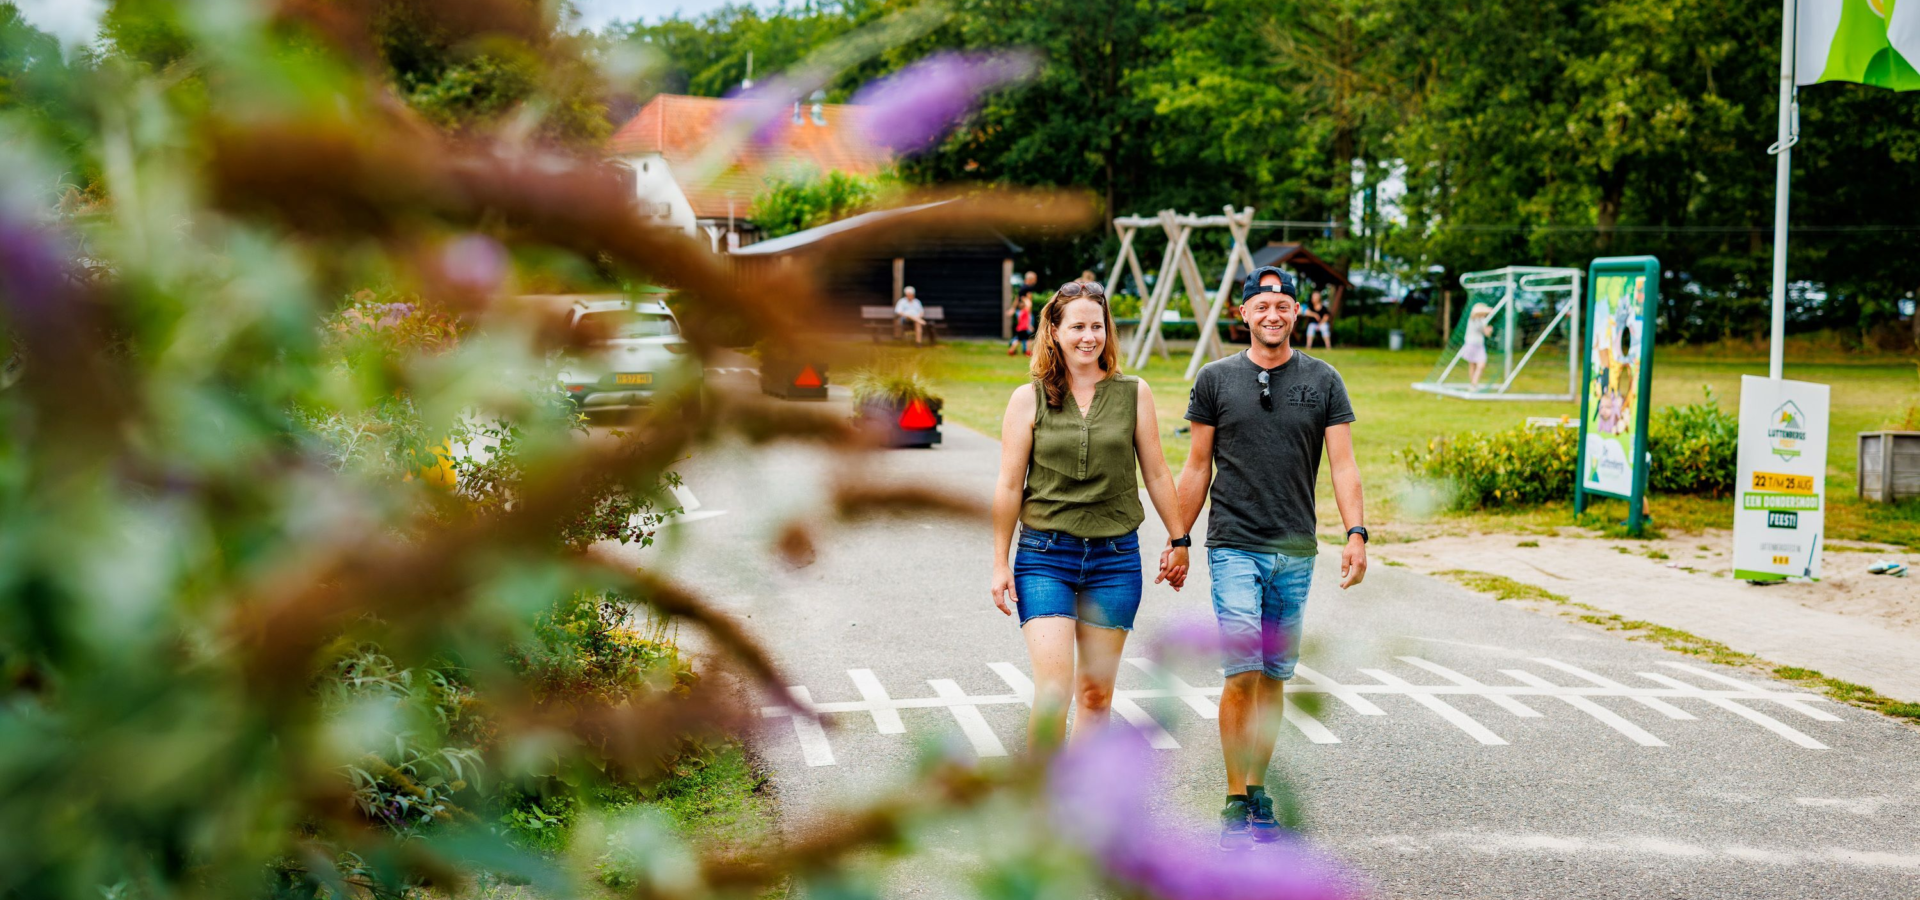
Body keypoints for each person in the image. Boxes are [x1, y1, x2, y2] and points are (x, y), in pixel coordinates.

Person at [1174, 266, 1367, 851]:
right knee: (1243, 669)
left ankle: (1258, 788)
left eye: (1283, 306)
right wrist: (1179, 538)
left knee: (1276, 675)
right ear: (1245, 314)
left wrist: (1356, 532)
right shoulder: (1214, 380)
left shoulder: (1325, 380)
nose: (1273, 314)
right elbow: (1196, 465)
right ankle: (1235, 799)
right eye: (1262, 306)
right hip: (1233, 545)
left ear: (1296, 314)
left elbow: (1343, 464)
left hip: (1295, 550)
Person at [990, 280, 1190, 752]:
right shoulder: (1028, 398)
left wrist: (1179, 539)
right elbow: (1007, 485)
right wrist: (1000, 561)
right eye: (1077, 325)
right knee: (1055, 690)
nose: (1088, 336)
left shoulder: (1133, 393)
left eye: (1097, 326)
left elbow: (1157, 472)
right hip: (1044, 556)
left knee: (1096, 695)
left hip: (1115, 560)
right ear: (1054, 331)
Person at [1462, 302, 1493, 388]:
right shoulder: (1473, 318)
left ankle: (1474, 383)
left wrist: (1489, 330)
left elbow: (1486, 333)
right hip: (1471, 344)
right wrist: (1488, 310)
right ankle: (1473, 385)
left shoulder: (1483, 321)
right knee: (1472, 365)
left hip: (1480, 345)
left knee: (1481, 364)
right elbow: (1475, 310)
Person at [1005, 290, 1035, 356]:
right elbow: (1029, 305)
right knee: (1026, 340)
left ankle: (1012, 351)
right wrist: (1025, 299)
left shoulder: (1020, 312)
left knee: (1020, 340)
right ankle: (1027, 352)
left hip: (1020, 328)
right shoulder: (1025, 312)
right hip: (1023, 329)